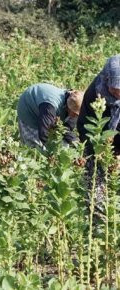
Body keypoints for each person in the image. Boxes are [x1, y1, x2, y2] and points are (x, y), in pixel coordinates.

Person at [77, 55, 120, 218]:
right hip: (97, 145)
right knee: (96, 185)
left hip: (115, 145)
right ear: (107, 79)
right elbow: (83, 126)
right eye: (115, 88)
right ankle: (98, 223)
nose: (118, 93)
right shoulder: (94, 93)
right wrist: (98, 151)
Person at [17, 83, 84, 148]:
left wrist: (76, 142)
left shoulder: (75, 104)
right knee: (35, 147)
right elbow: (44, 132)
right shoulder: (50, 107)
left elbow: (66, 128)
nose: (76, 116)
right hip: (28, 108)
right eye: (75, 114)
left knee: (63, 142)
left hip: (45, 108)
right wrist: (53, 151)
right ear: (69, 107)